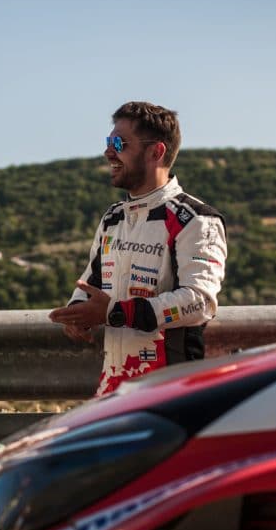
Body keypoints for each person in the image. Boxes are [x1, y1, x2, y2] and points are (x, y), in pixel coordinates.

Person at [49, 101, 227, 395]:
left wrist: (114, 313)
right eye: (108, 142)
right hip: (115, 386)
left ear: (155, 152)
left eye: (119, 143)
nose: (108, 152)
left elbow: (200, 301)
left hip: (171, 390)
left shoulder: (197, 220)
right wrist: (77, 311)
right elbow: (92, 281)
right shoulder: (113, 217)